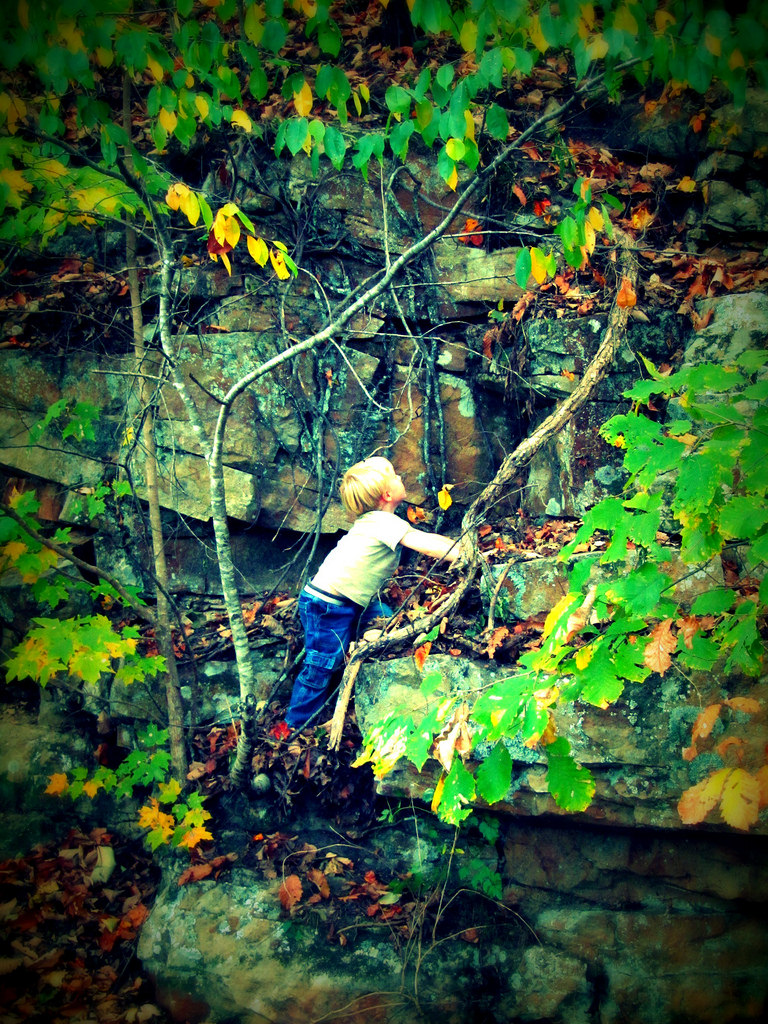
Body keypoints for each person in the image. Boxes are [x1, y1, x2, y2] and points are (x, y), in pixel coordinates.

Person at [284, 456, 460, 729]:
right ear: (387, 494)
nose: (401, 478)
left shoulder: (375, 522)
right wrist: (464, 552)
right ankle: (296, 726)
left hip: (349, 602)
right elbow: (424, 543)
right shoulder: (382, 523)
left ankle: (364, 644)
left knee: (383, 615)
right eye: (395, 475)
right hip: (328, 607)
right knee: (320, 665)